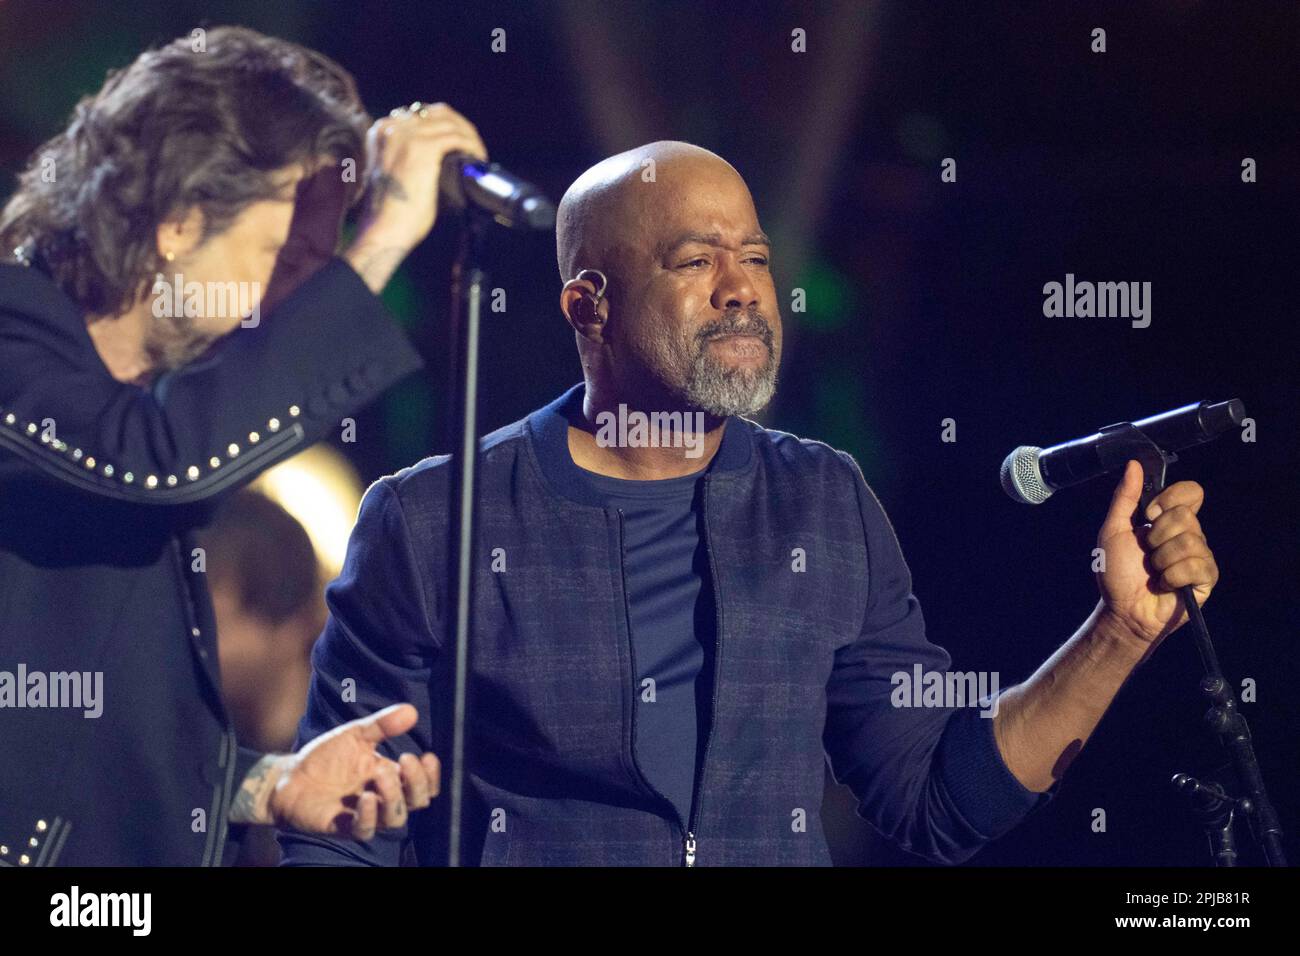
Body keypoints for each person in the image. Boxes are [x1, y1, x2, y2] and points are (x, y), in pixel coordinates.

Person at [279, 141, 1219, 866]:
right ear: (586, 307)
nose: (741, 290)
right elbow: (334, 836)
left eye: (756, 258)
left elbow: (936, 800)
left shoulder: (821, 501)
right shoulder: (438, 520)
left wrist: (1118, 634)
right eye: (695, 262)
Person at [0, 25, 487, 866]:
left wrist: (265, 785)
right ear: (178, 225)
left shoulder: (126, 412)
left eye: (320, 264)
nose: (295, 298)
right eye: (281, 255)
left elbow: (69, 740)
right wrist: (382, 242)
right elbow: (160, 462)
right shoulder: (16, 341)